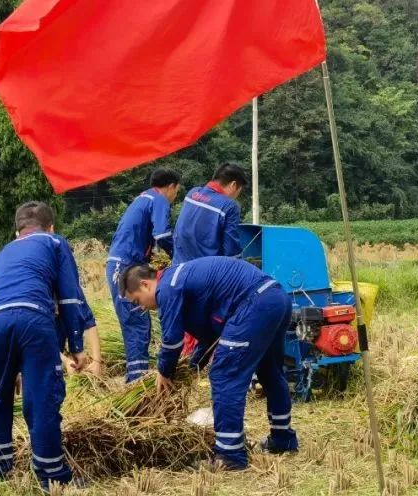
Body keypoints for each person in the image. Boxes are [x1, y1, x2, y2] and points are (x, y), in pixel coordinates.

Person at [120, 257, 298, 470]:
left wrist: (163, 371)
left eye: (137, 301)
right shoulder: (178, 279)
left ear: (145, 285)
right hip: (275, 298)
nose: (142, 308)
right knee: (270, 371)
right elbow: (209, 336)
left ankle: (230, 455)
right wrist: (192, 367)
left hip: (253, 304)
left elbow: (172, 339)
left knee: (224, 376)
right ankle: (283, 439)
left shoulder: (167, 288)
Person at [0, 201, 90, 488]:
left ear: (18, 232)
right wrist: (76, 345)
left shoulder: (4, 252)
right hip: (34, 320)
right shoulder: (55, 243)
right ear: (51, 227)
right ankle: (52, 477)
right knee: (41, 398)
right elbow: (69, 298)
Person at [106, 168, 182, 382]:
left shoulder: (144, 198)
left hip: (120, 263)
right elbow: (162, 234)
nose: (175, 196)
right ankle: (137, 381)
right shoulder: (159, 199)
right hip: (126, 266)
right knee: (137, 322)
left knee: (135, 323)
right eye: (177, 191)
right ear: (171, 187)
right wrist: (178, 256)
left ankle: (135, 376)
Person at [172, 163, 248, 264]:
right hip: (206, 270)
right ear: (233, 185)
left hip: (178, 266)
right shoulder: (229, 206)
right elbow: (231, 250)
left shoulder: (192, 193)